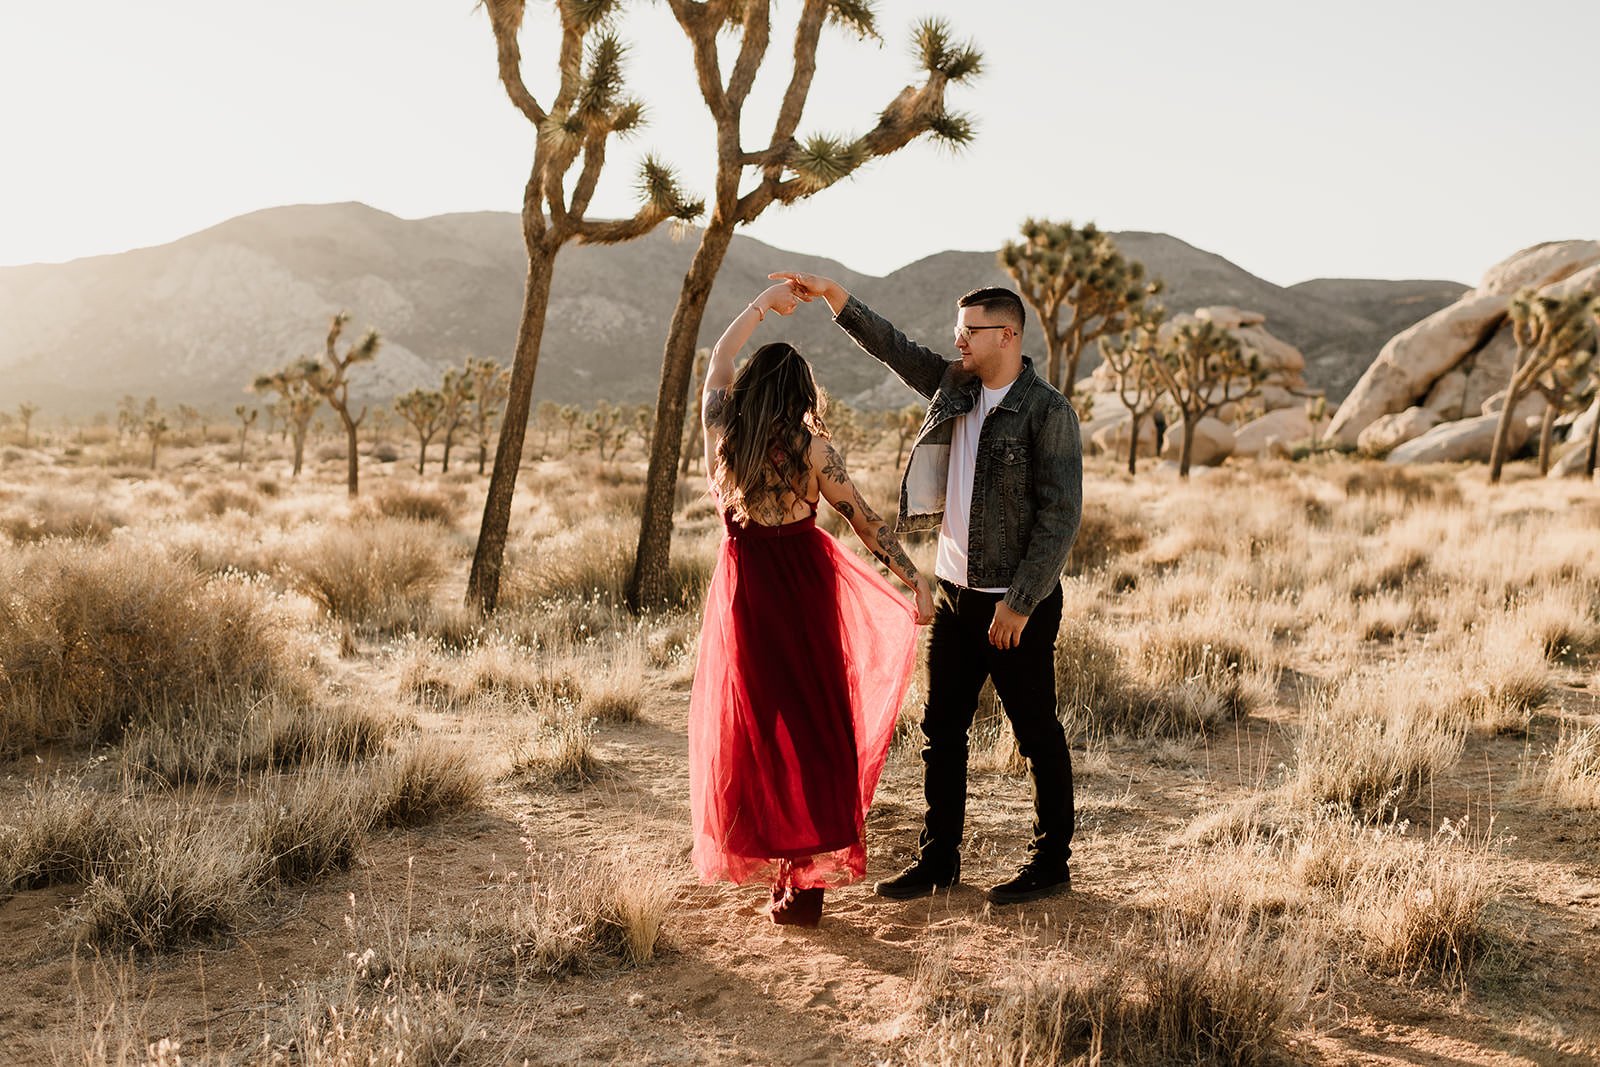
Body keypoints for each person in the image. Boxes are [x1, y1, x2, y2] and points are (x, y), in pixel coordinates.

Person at [771, 270, 1083, 905]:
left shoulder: (1048, 412)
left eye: (969, 331)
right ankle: (939, 860)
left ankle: (1051, 863)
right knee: (942, 732)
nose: (958, 341)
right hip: (955, 593)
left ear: (1009, 335)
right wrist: (836, 298)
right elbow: (894, 347)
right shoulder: (954, 386)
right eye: (957, 331)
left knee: (1035, 732)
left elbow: (1061, 516)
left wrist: (1020, 602)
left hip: (1014, 601)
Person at [689, 280, 935, 927]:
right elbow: (866, 521)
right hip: (805, 589)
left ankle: (777, 861)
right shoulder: (815, 451)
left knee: (757, 726)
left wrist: (761, 305)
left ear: (750, 389)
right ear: (803, 396)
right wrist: (915, 577)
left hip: (748, 592)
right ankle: (804, 878)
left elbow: (717, 359)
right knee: (817, 727)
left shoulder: (724, 435)